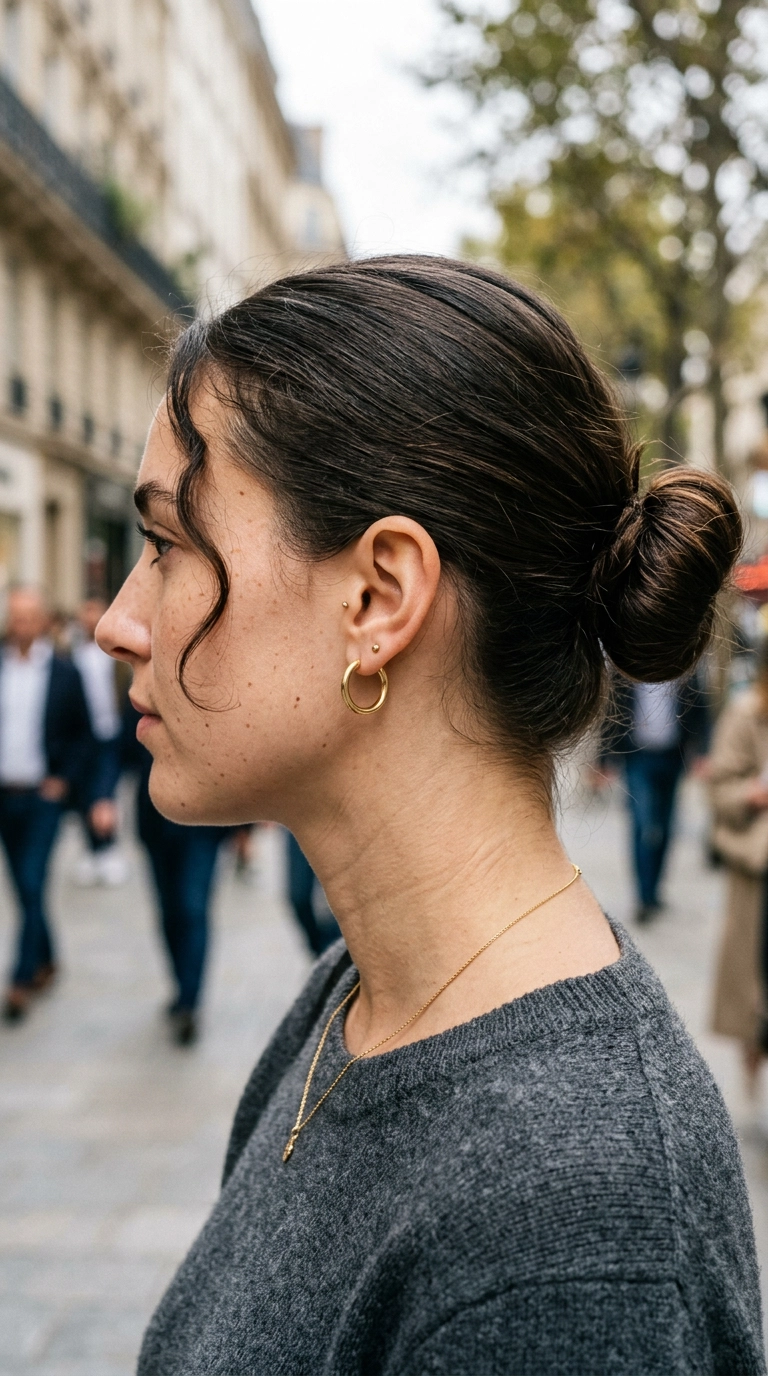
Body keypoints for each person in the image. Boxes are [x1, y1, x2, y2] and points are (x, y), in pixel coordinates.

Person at [97, 257, 762, 1373]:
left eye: (167, 545)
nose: (120, 620)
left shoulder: (569, 1231)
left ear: (378, 597)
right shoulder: (359, 999)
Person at [0, 587, 93, 1021]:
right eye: (13, 617)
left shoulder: (63, 672)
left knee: (33, 882)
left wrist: (63, 780)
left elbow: (83, 735)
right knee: (24, 886)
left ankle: (20, 980)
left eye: (27, 618)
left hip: (42, 798)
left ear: (41, 622)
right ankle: (48, 957)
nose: (20, 626)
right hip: (5, 796)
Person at [121, 702, 229, 1045]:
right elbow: (120, 748)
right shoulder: (141, 692)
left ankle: (189, 1002)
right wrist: (98, 797)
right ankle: (182, 985)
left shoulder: (210, 691)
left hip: (204, 824)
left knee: (192, 908)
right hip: (156, 823)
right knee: (169, 912)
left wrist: (247, 826)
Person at [605, 672, 710, 922]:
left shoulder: (685, 668)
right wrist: (604, 759)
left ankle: (653, 892)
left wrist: (703, 752)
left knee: (666, 826)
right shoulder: (626, 669)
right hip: (637, 757)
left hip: (673, 757)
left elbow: (701, 711)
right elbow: (611, 712)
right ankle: (642, 896)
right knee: (642, 824)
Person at [709, 648, 768, 1090]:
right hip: (759, 865)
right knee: (756, 973)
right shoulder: (747, 713)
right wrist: (755, 793)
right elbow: (720, 790)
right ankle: (755, 1046)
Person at [72, 596, 130, 885]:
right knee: (87, 796)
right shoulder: (72, 655)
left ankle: (109, 848)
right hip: (85, 737)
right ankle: (94, 848)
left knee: (105, 793)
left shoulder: (117, 656)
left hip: (111, 735)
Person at [287, 832, 340, 955]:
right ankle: (321, 952)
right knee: (298, 897)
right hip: (296, 823)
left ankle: (335, 951)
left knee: (339, 897)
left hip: (336, 824)